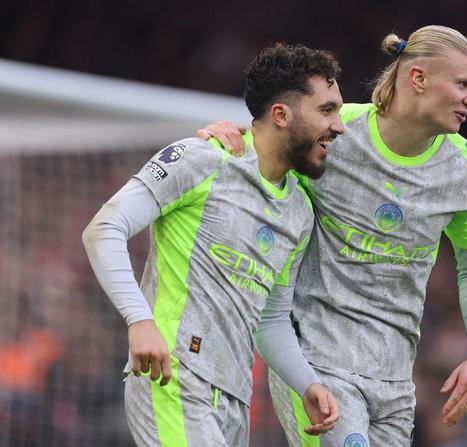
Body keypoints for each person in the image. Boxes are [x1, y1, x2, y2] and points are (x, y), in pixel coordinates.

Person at [200, 25, 467, 446]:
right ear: (418, 78)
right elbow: (265, 147)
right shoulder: (337, 131)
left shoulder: (465, 167)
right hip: (316, 364)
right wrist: (222, 137)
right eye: (463, 85)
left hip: (395, 383)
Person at [82, 43, 345, 447]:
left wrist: (307, 383)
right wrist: (140, 320)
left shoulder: (299, 210)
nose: (339, 126)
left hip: (234, 400)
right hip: (174, 375)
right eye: (327, 110)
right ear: (281, 115)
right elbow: (104, 229)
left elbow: (271, 320)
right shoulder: (201, 158)